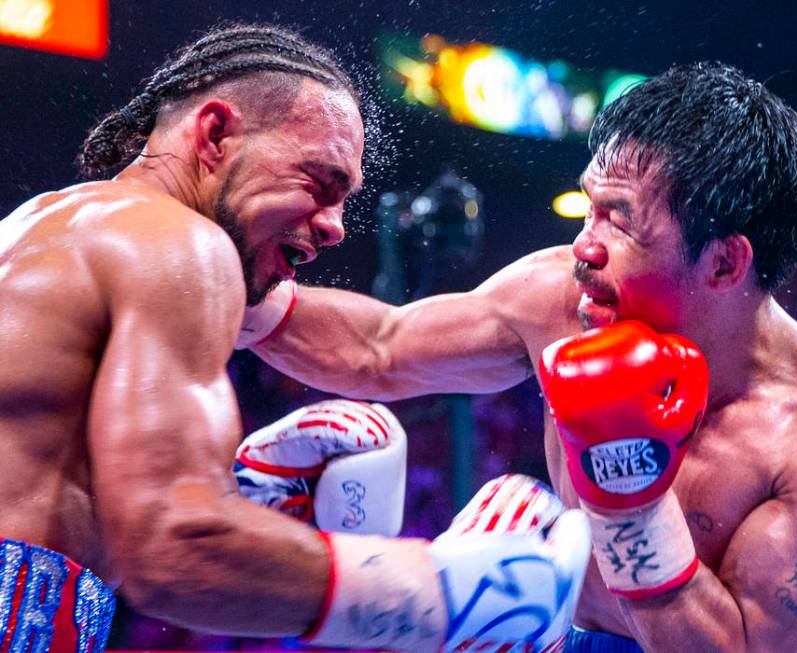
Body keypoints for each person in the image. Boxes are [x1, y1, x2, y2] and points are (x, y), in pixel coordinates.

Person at [241, 62, 797, 652]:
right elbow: (378, 349)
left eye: (619, 220)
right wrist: (228, 284)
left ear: (724, 261)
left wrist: (628, 497)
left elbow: (733, 645)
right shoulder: (564, 298)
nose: (584, 246)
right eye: (589, 209)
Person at [0, 23, 591, 653]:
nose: (337, 228)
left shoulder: (52, 232)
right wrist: (438, 593)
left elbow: (377, 347)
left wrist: (239, 498)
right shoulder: (178, 245)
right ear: (215, 134)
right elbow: (169, 547)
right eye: (319, 182)